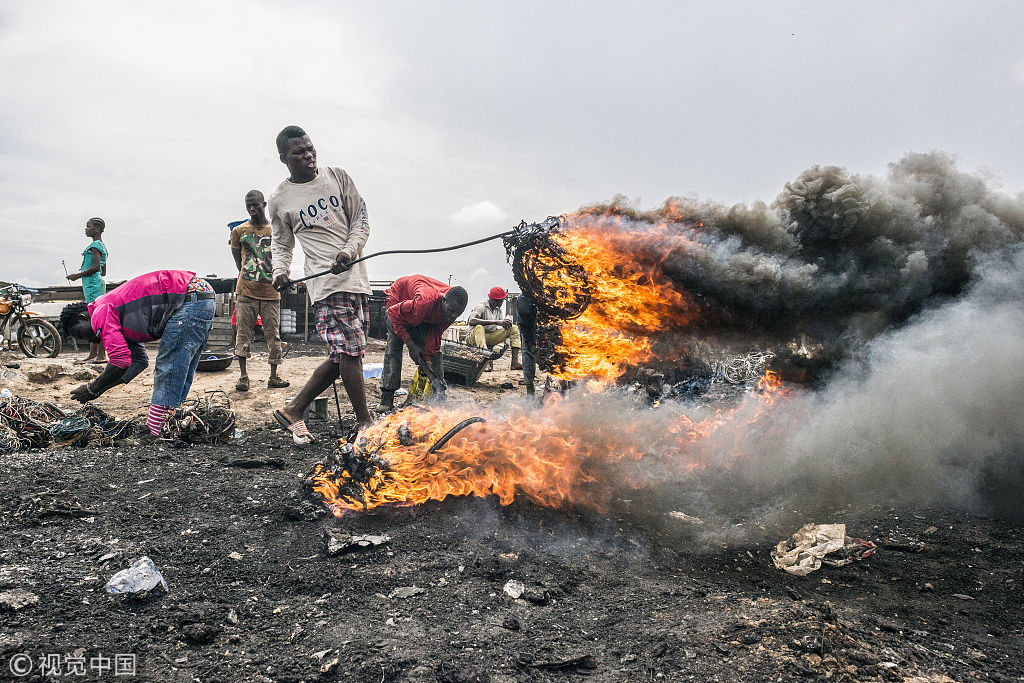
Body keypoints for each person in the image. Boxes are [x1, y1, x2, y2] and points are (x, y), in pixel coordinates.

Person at [269, 125, 372, 444]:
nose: (308, 155)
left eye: (310, 148)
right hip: (325, 284)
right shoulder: (280, 199)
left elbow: (361, 220)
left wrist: (348, 251)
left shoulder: (338, 176)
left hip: (355, 278)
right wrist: (280, 271)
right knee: (349, 352)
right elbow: (281, 244)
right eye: (299, 152)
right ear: (284, 157)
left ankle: (294, 410)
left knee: (345, 353)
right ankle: (366, 423)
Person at [61, 270, 216, 438]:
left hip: (188, 296)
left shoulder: (100, 311)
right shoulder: (114, 315)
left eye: (82, 334)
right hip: (201, 295)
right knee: (181, 369)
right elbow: (138, 361)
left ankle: (155, 430)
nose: (91, 340)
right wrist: (100, 390)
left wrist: (92, 388)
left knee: (169, 366)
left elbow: (120, 361)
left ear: (82, 316)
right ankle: (170, 424)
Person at [378, 275, 468, 412]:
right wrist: (410, 344)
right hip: (398, 303)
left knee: (434, 355)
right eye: (451, 311)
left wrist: (428, 358)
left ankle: (437, 397)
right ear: (444, 301)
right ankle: (387, 398)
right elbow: (393, 313)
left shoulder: (451, 311)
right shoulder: (425, 302)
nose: (453, 317)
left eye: (457, 314)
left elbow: (435, 335)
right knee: (394, 346)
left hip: (421, 313)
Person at [230, 190, 288, 392]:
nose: (252, 209)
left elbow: (284, 255)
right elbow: (239, 261)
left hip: (271, 293)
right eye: (248, 206)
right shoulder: (239, 231)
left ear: (264, 204)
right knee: (243, 335)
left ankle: (274, 376)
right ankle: (243, 377)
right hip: (246, 292)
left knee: (273, 335)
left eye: (255, 205)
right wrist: (248, 276)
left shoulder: (276, 230)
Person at [66, 217, 108, 363]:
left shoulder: (95, 246)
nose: (86, 229)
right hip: (96, 283)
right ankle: (93, 354)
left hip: (92, 286)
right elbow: (103, 271)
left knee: (97, 320)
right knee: (94, 319)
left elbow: (96, 267)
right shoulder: (102, 246)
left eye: (88, 226)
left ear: (96, 229)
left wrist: (77, 275)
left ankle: (101, 355)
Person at [467, 287, 522, 371]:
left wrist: (505, 323)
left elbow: (500, 323)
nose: (502, 302)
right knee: (479, 327)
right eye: (502, 300)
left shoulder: (498, 310)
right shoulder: (481, 306)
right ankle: (484, 361)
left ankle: (514, 362)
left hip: (489, 337)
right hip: (474, 337)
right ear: (496, 300)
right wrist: (496, 322)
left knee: (513, 328)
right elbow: (471, 321)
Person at [516, 293, 538, 395]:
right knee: (527, 352)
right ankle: (530, 388)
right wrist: (532, 347)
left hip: (549, 324)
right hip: (529, 326)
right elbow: (524, 326)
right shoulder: (523, 300)